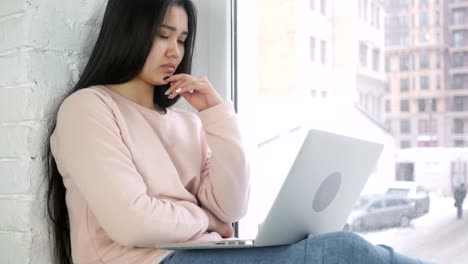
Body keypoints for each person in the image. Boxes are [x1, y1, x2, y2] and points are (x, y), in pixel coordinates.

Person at [43, 1, 429, 263]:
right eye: (162, 35)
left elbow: (230, 208)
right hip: (146, 261)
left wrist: (216, 114)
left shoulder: (188, 123)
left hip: (202, 254)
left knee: (359, 249)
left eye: (181, 39)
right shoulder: (89, 109)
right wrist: (206, 221)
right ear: (129, 33)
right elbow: (131, 221)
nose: (175, 51)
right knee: (345, 252)